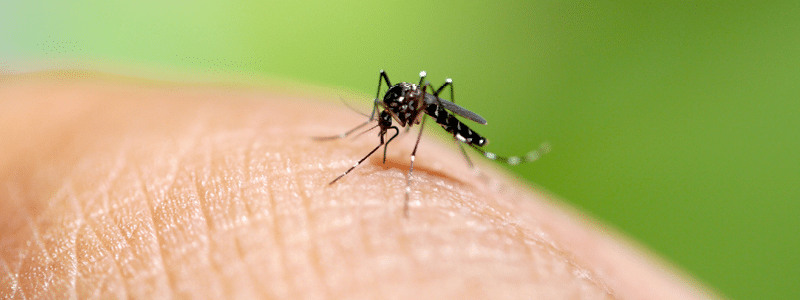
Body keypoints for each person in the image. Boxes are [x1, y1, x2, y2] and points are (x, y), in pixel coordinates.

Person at [0, 70, 718, 299]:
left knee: (429, 103)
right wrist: (368, 135)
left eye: (384, 120)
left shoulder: (414, 107)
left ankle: (460, 155)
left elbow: (411, 105)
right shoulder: (392, 104)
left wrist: (416, 143)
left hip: (444, 119)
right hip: (420, 111)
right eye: (384, 120)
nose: (385, 121)